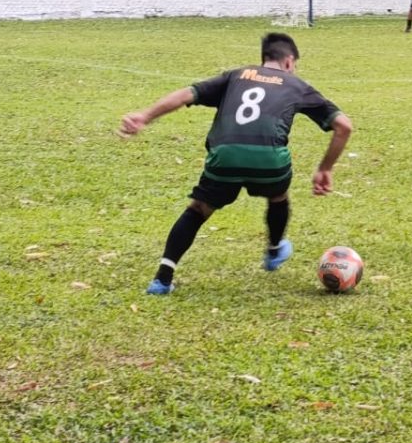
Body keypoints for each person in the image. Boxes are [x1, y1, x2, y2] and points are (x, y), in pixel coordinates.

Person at [119, 32, 353, 295]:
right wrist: (325, 169)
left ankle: (162, 279)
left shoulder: (235, 76)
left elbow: (186, 94)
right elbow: (343, 126)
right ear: (289, 62)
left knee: (198, 210)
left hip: (224, 156)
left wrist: (145, 116)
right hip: (270, 161)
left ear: (264, 58)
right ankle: (274, 250)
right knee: (277, 195)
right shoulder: (296, 85)